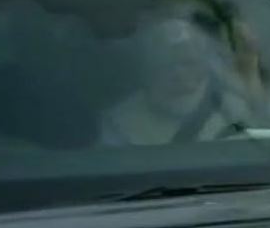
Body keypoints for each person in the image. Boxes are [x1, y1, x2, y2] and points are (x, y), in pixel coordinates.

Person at [100, 19, 247, 146]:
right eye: (168, 64)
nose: (179, 73)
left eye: (188, 63)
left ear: (205, 63)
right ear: (149, 66)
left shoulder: (237, 111)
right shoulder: (120, 122)